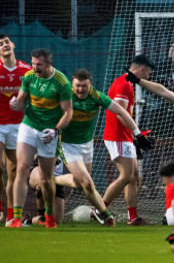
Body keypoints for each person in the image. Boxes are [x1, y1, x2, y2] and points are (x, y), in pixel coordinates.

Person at [55, 69, 150, 226]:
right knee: (87, 181)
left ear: (90, 85)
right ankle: (104, 214)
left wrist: (138, 133)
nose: (80, 89)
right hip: (67, 144)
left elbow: (121, 110)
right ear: (72, 85)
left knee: (81, 184)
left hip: (86, 144)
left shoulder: (96, 96)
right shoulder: (65, 96)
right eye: (77, 86)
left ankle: (54, 181)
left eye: (84, 86)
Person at [8, 48, 73, 228]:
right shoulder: (29, 77)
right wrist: (16, 103)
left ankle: (49, 216)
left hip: (48, 132)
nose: (35, 67)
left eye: (39, 64)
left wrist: (55, 130)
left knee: (46, 178)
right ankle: (16, 218)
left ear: (49, 64)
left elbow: (68, 113)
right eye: (33, 63)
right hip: (29, 125)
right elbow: (21, 99)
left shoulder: (61, 82)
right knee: (21, 168)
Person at [102, 54, 155, 225]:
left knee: (134, 177)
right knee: (126, 176)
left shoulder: (126, 83)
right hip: (117, 136)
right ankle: (99, 209)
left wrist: (134, 135)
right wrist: (137, 134)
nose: (147, 77)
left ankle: (132, 217)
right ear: (141, 70)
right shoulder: (124, 84)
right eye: (147, 74)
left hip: (124, 136)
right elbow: (119, 113)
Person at [0, 34, 31, 225]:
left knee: (14, 171)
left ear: (12, 45)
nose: (3, 45)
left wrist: (22, 102)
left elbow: (34, 96)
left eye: (6, 42)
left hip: (18, 126)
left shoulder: (26, 71)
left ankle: (11, 215)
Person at [27, 157, 67, 225]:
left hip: (57, 177)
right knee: (45, 182)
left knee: (57, 221)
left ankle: (28, 220)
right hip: (38, 170)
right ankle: (41, 210)